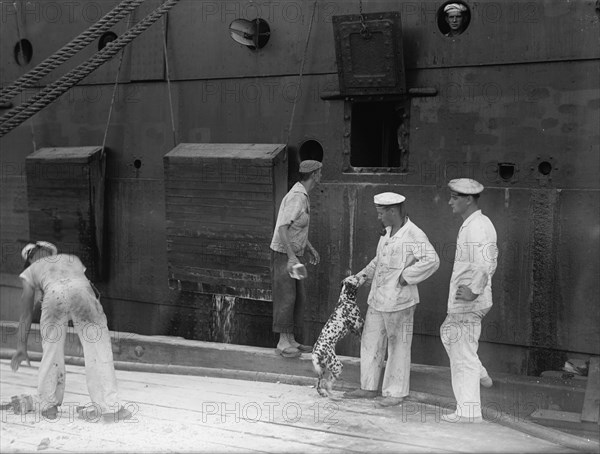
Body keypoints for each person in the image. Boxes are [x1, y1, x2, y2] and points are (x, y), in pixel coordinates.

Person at [11, 241, 131, 421]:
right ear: (51, 253)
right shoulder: (71, 259)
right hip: (82, 294)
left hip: (52, 298)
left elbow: (26, 313)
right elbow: (86, 287)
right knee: (98, 349)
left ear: (29, 259)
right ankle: (110, 408)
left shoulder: (30, 270)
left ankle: (48, 406)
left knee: (51, 351)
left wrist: (21, 347)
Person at [343, 192, 440, 407]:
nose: (378, 217)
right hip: (378, 298)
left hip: (400, 301)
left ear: (393, 211)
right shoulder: (387, 232)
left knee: (399, 347)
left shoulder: (413, 234)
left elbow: (432, 260)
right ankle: (367, 387)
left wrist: (407, 277)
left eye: (380, 213)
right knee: (370, 342)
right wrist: (359, 278)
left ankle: (395, 393)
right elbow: (379, 260)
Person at [440, 178, 497, 423]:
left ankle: (469, 413)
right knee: (448, 334)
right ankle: (481, 373)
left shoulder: (476, 227)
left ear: (468, 199)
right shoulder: (474, 223)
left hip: (469, 300)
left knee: (462, 353)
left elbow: (486, 263)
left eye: (454, 197)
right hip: (468, 299)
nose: (450, 201)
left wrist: (473, 291)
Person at [270, 160, 322, 358]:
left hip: (295, 254)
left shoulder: (303, 195)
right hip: (284, 255)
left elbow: (296, 228)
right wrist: (291, 257)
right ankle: (283, 343)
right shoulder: (297, 197)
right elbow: (282, 227)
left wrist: (309, 248)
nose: (321, 176)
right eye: (320, 173)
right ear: (315, 174)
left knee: (298, 294)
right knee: (286, 296)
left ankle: (291, 338)